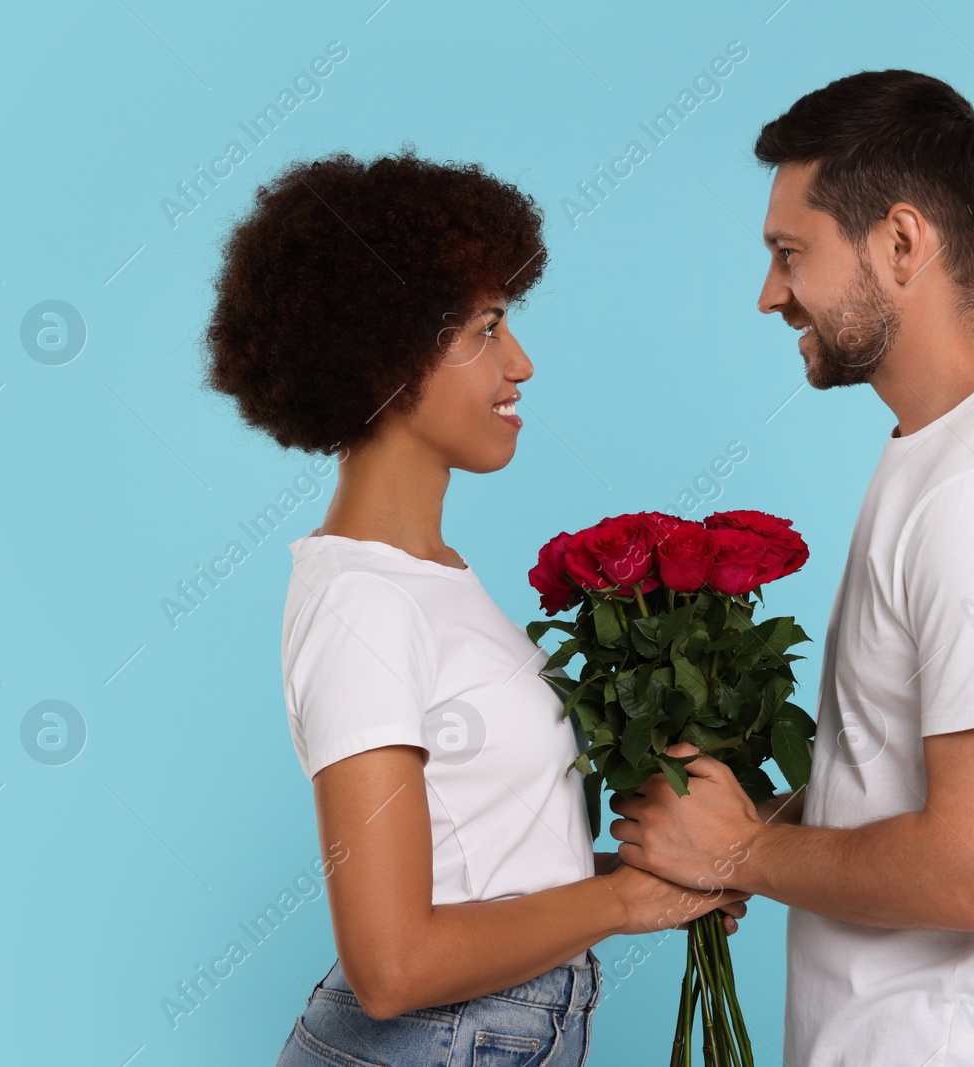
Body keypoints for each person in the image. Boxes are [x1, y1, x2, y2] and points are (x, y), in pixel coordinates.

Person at [607, 70, 974, 1066]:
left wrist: (743, 850)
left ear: (901, 243)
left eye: (789, 255)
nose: (769, 294)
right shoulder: (945, 454)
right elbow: (901, 783)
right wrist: (730, 830)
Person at [202, 150, 748, 1067]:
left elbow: (490, 874)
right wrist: (619, 904)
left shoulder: (431, 579)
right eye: (488, 327)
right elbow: (392, 963)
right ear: (385, 348)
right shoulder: (363, 604)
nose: (521, 361)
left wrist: (656, 877)